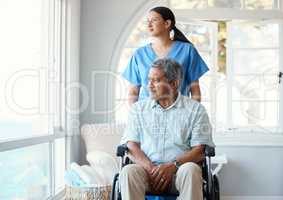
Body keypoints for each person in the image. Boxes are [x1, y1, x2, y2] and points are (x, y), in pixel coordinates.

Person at [119, 58, 214, 200]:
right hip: (147, 171)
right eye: (149, 80)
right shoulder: (138, 109)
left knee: (191, 170)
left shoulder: (196, 110)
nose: (149, 86)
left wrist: (172, 166)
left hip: (180, 171)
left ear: (174, 84)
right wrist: (152, 170)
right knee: (128, 172)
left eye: (155, 80)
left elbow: (199, 150)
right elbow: (131, 146)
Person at [122, 6, 209, 104]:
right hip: (147, 115)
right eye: (148, 21)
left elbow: (195, 89)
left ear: (167, 23)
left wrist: (193, 115)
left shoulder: (187, 50)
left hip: (180, 113)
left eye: (154, 20)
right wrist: (134, 116)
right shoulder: (139, 54)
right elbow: (133, 91)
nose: (149, 25)